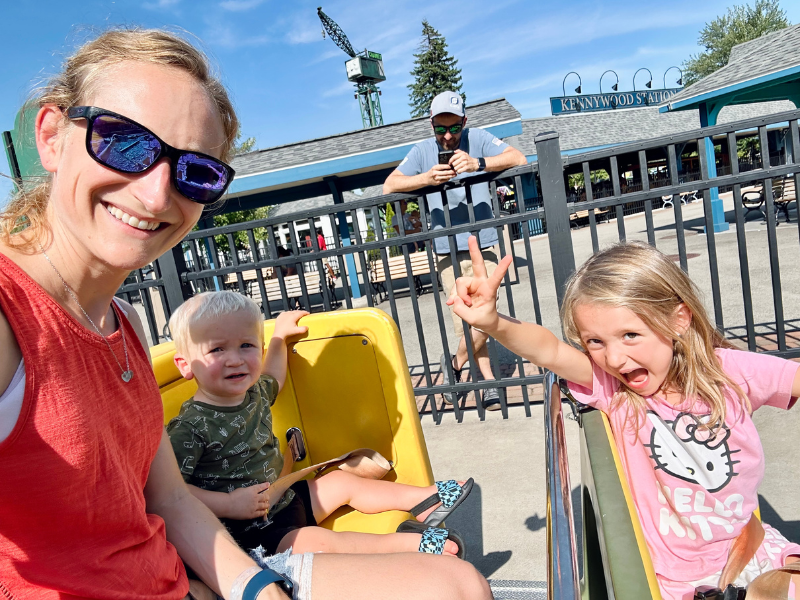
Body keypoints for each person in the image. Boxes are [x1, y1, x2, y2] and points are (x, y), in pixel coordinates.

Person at [0, 28, 492, 600]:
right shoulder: (10, 315)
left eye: (195, 172)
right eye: (125, 143)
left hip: (189, 575)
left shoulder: (121, 321)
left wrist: (256, 588)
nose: (158, 195)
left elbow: (169, 500)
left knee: (457, 586)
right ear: (53, 136)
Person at [448, 236, 800, 600]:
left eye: (630, 335)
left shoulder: (729, 373)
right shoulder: (612, 389)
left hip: (750, 553)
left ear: (678, 320)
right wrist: (493, 323)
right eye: (595, 342)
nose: (614, 358)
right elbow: (549, 349)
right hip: (674, 579)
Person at [167, 291, 472, 558]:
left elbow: (275, 375)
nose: (235, 359)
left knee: (341, 483)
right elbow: (169, 491)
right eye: (217, 349)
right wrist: (227, 504)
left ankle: (423, 500)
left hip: (284, 500)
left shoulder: (254, 392)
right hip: (248, 534)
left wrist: (278, 339)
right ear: (185, 365)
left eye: (246, 345)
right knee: (318, 542)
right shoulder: (189, 427)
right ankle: (408, 545)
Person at [382, 91, 526, 411]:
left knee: (485, 316)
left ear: (465, 121)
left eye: (454, 128)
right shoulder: (422, 151)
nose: (447, 136)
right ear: (431, 124)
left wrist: (479, 163)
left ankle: (455, 365)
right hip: (445, 248)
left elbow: (519, 158)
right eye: (439, 129)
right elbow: (390, 185)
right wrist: (426, 178)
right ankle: (488, 383)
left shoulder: (479, 139)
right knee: (464, 319)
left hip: (482, 243)